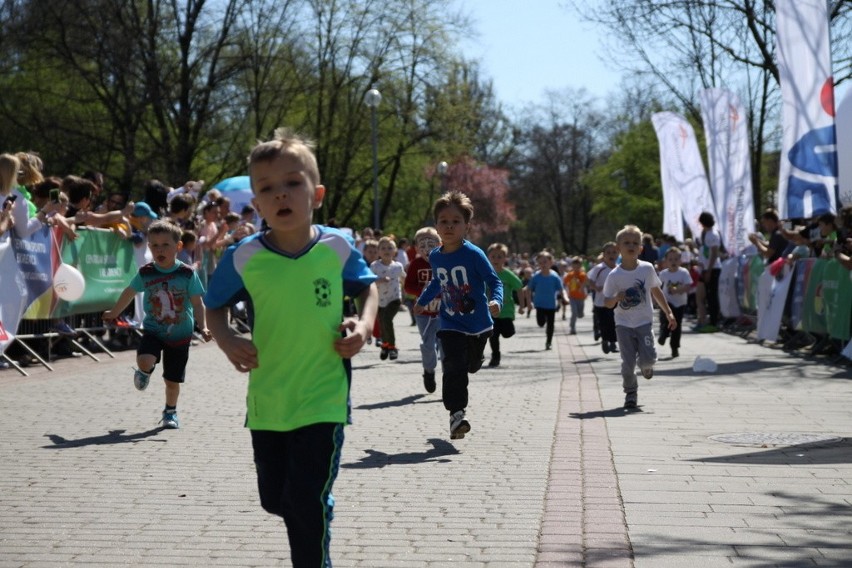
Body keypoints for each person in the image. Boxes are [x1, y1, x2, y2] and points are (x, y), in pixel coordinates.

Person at [203, 128, 378, 568]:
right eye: (267, 188)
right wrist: (225, 339)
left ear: (315, 193)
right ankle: (319, 506)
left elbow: (367, 292)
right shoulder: (243, 256)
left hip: (324, 397)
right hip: (269, 399)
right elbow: (213, 306)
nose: (281, 195)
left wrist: (365, 324)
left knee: (303, 501)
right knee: (276, 499)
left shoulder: (337, 247)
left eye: (292, 183)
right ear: (256, 205)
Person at [103, 220, 212, 428]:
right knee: (145, 359)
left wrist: (203, 326)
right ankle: (144, 371)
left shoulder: (187, 273)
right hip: (154, 329)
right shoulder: (147, 272)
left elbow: (198, 303)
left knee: (172, 381)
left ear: (178, 247)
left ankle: (170, 412)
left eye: (165, 245)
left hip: (180, 334)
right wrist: (114, 312)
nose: (159, 249)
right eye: (154, 245)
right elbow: (129, 292)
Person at [414, 190, 502, 440]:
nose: (449, 226)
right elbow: (437, 282)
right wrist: (422, 302)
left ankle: (475, 360)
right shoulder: (436, 256)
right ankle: (457, 415)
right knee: (453, 368)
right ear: (437, 226)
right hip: (450, 322)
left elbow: (494, 281)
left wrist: (496, 300)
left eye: (456, 221)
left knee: (470, 366)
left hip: (478, 325)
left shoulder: (473, 254)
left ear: (466, 226)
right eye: (444, 221)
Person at [603, 225, 676, 410]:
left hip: (644, 322)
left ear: (641, 248)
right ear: (619, 248)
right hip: (623, 324)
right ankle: (630, 393)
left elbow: (655, 290)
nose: (631, 245)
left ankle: (647, 367)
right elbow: (607, 303)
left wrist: (668, 312)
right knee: (627, 363)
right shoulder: (614, 275)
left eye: (635, 243)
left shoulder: (646, 269)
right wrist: (616, 299)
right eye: (626, 242)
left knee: (648, 359)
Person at [404, 227, 443, 392]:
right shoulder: (415, 265)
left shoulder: (444, 261)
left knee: (446, 345)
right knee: (428, 345)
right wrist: (422, 291)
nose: (427, 249)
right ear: (417, 248)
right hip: (423, 313)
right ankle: (429, 371)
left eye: (431, 244)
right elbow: (408, 287)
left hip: (444, 312)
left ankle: (449, 377)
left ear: (440, 244)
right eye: (423, 245)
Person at [485, 242, 525, 367]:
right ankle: (495, 357)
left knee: (508, 333)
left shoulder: (508, 275)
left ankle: (506, 330)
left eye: (500, 256)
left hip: (506, 310)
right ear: (488, 257)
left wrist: (522, 306)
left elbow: (519, 287)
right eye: (493, 256)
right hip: (491, 311)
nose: (496, 259)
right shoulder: (485, 273)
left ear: (505, 259)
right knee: (493, 335)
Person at [524, 250, 568, 350]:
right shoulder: (536, 276)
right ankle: (543, 322)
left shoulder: (555, 276)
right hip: (539, 304)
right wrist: (529, 302)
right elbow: (529, 289)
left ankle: (549, 342)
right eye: (540, 262)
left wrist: (565, 297)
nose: (542, 264)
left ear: (551, 262)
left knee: (551, 325)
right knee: (541, 323)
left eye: (545, 262)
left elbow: (561, 289)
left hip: (551, 305)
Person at [371, 236, 405, 360]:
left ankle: (392, 347)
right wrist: (379, 280)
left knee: (386, 319)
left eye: (390, 248)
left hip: (395, 299)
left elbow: (404, 279)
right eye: (383, 248)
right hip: (379, 300)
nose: (387, 250)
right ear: (378, 251)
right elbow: (369, 281)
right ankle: (385, 345)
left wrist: (409, 294)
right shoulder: (375, 266)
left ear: (395, 251)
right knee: (382, 323)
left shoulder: (398, 266)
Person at [657, 247, 692, 358]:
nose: (673, 262)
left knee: (676, 326)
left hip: (680, 304)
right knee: (664, 319)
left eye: (676, 259)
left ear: (680, 261)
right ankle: (663, 334)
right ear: (666, 261)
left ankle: (674, 347)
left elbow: (688, 286)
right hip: (667, 302)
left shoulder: (683, 272)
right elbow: (656, 287)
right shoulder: (663, 274)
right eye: (670, 259)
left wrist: (677, 290)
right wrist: (655, 299)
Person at [587, 243, 619, 354]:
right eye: (608, 253)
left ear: (618, 254)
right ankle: (605, 340)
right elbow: (590, 281)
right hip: (600, 303)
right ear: (604, 255)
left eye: (614, 252)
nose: (611, 255)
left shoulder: (620, 268)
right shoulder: (599, 268)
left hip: (615, 301)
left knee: (614, 323)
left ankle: (613, 343)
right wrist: (596, 287)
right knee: (604, 324)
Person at [694, 211, 723, 332]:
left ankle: (714, 322)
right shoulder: (706, 233)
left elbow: (715, 253)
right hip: (706, 269)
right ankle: (704, 320)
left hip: (713, 269)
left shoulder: (713, 234)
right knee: (702, 296)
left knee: (712, 296)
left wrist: (709, 270)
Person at [563, 257, 588, 335]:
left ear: (580, 266)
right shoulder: (570, 275)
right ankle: (572, 328)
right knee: (574, 312)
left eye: (578, 267)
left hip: (581, 297)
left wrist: (578, 283)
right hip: (572, 297)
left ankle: (581, 313)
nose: (576, 268)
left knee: (579, 315)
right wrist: (568, 285)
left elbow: (584, 285)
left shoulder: (582, 275)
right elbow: (565, 282)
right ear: (572, 266)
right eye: (574, 267)